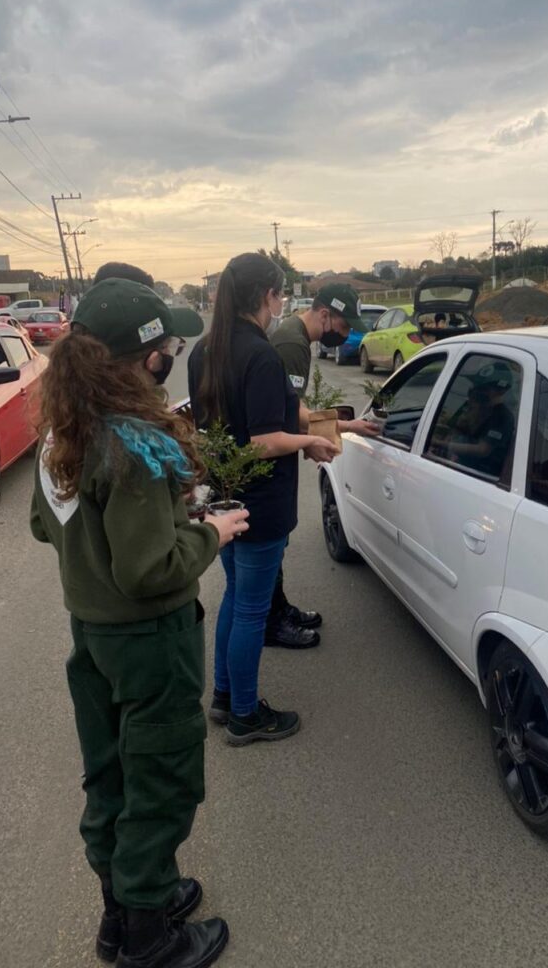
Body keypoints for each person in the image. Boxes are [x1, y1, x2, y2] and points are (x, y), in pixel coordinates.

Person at [30, 278, 248, 968]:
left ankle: (119, 911)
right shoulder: (133, 440)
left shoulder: (63, 431)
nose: (172, 358)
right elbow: (150, 570)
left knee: (112, 774)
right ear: (142, 355)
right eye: (168, 348)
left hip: (90, 635)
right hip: (151, 640)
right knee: (161, 780)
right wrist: (211, 531)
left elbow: (44, 525)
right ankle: (150, 939)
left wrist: (119, 533)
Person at [187, 252, 338, 740]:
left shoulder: (205, 350)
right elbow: (264, 440)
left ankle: (225, 697)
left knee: (237, 598)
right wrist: (310, 442)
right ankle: (247, 715)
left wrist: (332, 424)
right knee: (251, 609)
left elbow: (270, 417)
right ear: (268, 296)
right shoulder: (261, 354)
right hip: (263, 503)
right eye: (280, 293)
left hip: (225, 500)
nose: (282, 302)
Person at [267, 283, 380, 644]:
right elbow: (291, 413)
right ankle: (272, 620)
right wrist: (344, 427)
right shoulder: (292, 343)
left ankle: (277, 607)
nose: (345, 335)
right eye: (344, 327)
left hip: (278, 449)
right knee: (272, 540)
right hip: (270, 454)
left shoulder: (293, 337)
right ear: (325, 315)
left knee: (277, 540)